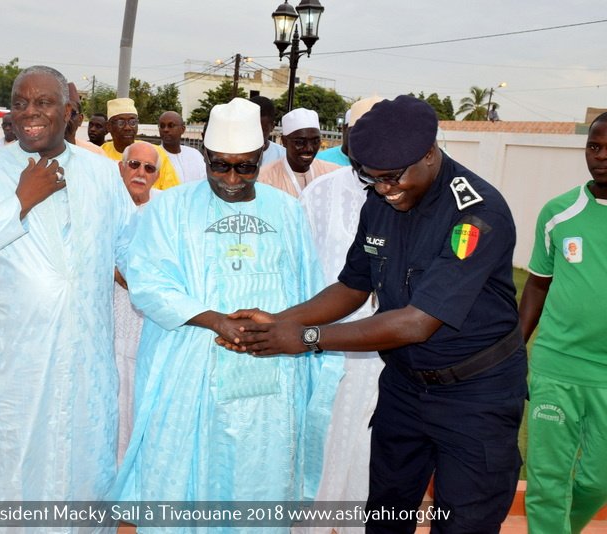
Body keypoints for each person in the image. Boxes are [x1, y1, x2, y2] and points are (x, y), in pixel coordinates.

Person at [224, 95, 527, 533]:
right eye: (371, 178)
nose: (384, 188)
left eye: (391, 177)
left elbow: (416, 321)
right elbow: (352, 285)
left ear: (429, 153)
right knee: (386, 514)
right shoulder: (381, 202)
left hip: (474, 395)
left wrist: (309, 339)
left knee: (465, 523)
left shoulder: (476, 213)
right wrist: (282, 321)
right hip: (405, 389)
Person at [111, 98, 344, 532]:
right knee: (184, 480)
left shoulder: (287, 212)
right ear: (204, 156)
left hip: (270, 376)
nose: (233, 179)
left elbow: (309, 286)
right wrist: (214, 319)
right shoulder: (170, 208)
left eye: (245, 167)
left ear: (262, 156)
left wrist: (280, 327)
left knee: (258, 479)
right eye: (220, 166)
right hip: (189, 369)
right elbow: (148, 281)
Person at [0, 66, 135, 512]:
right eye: (20, 103)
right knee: (12, 492)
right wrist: (20, 200)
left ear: (69, 111)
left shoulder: (101, 175)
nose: (29, 113)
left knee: (81, 487)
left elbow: (134, 257)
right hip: (12, 377)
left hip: (84, 374)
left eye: (42, 102)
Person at [295, 96, 384, 533]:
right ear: (346, 137)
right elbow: (299, 269)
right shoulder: (320, 193)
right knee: (318, 440)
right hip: (321, 346)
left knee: (369, 451)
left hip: (386, 352)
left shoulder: (406, 195)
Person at [519, 112, 607, 534]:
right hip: (557, 366)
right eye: (594, 147)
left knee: (597, 480)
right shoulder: (559, 212)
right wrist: (515, 349)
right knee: (547, 481)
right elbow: (536, 286)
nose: (600, 157)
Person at [114, 141, 161, 461]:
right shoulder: (107, 206)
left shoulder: (164, 210)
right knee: (114, 398)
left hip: (149, 323)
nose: (141, 173)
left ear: (157, 176)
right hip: (112, 315)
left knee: (142, 398)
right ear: (121, 167)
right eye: (134, 165)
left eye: (149, 168)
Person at [258, 107, 339, 197]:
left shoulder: (332, 174)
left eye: (315, 142)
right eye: (300, 142)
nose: (309, 149)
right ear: (284, 141)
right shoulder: (264, 179)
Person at [101, 97, 179, 189]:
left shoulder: (156, 153)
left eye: (132, 122)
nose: (128, 127)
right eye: (121, 122)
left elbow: (172, 194)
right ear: (108, 126)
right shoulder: (100, 154)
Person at [158, 110, 206, 183]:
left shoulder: (195, 155)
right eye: (162, 126)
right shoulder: (155, 156)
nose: (165, 129)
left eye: (171, 125)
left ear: (182, 129)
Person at [64, 82, 108, 157]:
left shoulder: (95, 153)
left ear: (80, 119)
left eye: (72, 113)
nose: (65, 118)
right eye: (60, 112)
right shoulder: (38, 152)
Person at [250, 95, 286, 166]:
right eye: (251, 129)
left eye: (262, 131)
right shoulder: (231, 154)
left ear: (272, 126)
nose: (256, 136)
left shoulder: (284, 157)